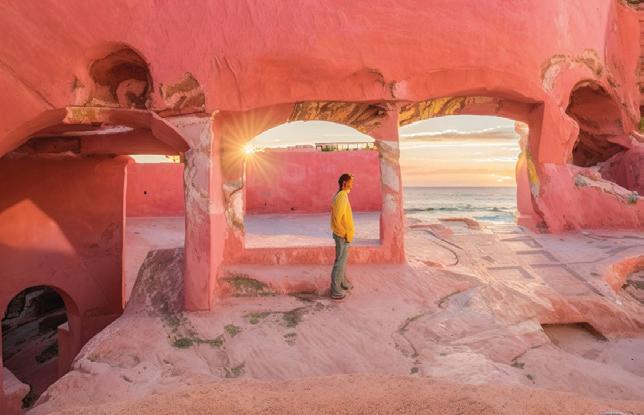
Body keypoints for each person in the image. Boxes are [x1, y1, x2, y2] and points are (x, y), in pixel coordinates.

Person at [329, 173, 355, 300]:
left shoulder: (342, 195)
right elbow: (336, 218)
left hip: (344, 235)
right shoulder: (342, 196)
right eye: (351, 182)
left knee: (342, 261)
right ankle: (335, 290)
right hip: (342, 236)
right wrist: (344, 233)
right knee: (339, 263)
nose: (352, 185)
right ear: (344, 183)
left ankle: (342, 283)